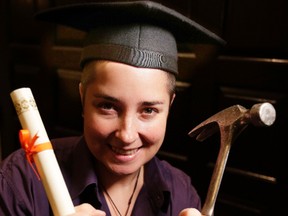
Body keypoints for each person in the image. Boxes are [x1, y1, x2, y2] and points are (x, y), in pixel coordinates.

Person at [0, 1, 224, 216]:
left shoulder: (182, 194)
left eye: (148, 110)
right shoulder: (21, 180)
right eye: (107, 106)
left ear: (170, 106)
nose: (126, 135)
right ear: (83, 98)